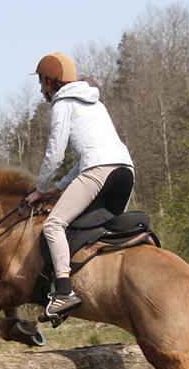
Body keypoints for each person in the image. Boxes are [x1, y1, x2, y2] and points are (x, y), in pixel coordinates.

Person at [25, 51, 135, 317]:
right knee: (91, 229)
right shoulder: (96, 104)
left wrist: (40, 187)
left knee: (54, 225)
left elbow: (55, 153)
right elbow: (86, 159)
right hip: (125, 171)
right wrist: (58, 188)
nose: (41, 89)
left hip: (99, 170)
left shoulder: (63, 104)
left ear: (51, 81)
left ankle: (63, 292)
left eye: (41, 82)